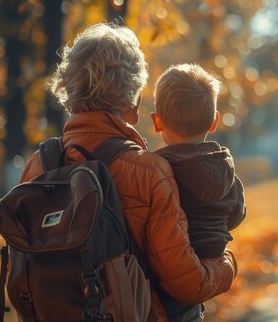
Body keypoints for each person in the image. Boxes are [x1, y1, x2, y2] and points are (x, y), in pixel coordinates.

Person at [19, 23, 237, 321]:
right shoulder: (148, 171)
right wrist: (227, 265)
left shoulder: (38, 166)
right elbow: (187, 283)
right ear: (133, 100)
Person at [150, 64, 246, 321]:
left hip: (165, 280)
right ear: (215, 121)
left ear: (156, 121)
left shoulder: (156, 172)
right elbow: (237, 215)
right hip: (209, 263)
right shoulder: (225, 169)